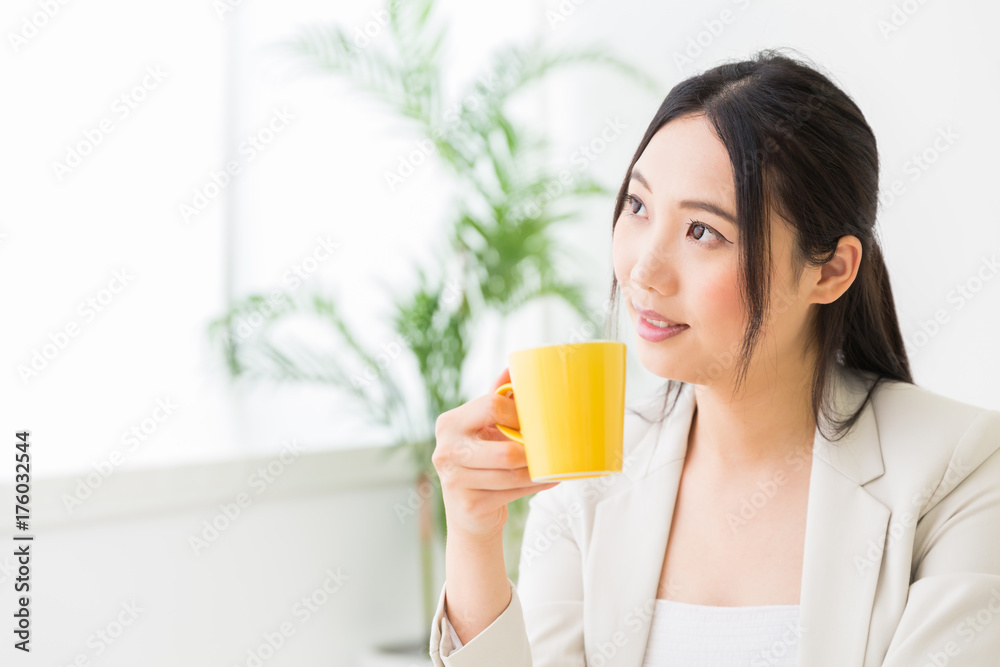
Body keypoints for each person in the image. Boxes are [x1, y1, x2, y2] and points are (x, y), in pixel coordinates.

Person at [427, 48, 1000, 666]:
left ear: (830, 270)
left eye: (703, 231)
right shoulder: (587, 485)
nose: (643, 270)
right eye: (638, 207)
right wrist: (474, 536)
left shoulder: (959, 468)